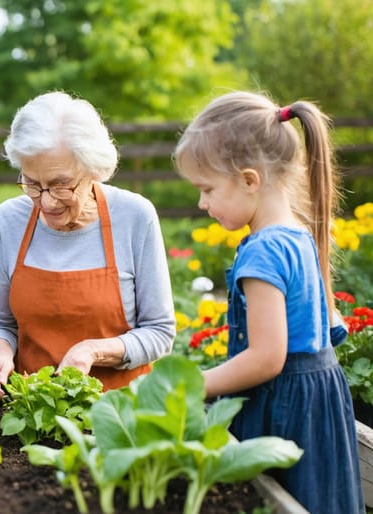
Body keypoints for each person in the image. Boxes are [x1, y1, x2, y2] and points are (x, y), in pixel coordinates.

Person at [173, 91, 364, 513]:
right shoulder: (297, 233)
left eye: (206, 189)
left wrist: (194, 385)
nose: (202, 204)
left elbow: (266, 358)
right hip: (316, 403)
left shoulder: (263, 251)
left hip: (284, 410)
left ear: (248, 179)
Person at [0, 91, 176, 399]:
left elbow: (159, 332)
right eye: (31, 182)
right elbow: (0, 323)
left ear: (92, 169)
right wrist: (0, 355)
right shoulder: (8, 221)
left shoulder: (135, 217)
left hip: (121, 418)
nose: (46, 201)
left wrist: (93, 351)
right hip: (35, 416)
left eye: (60, 185)